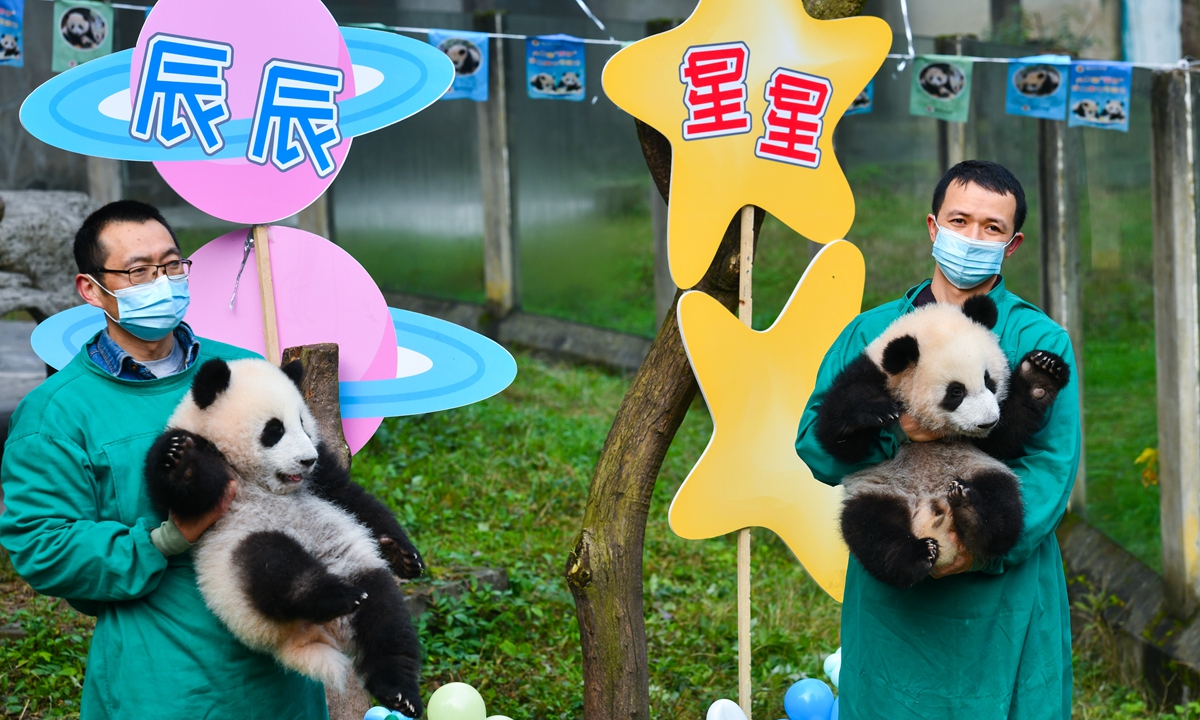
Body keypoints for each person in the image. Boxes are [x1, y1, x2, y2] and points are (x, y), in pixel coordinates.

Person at [0, 201, 330, 719]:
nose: (161, 281)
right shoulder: (58, 414)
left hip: (279, 673)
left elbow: (302, 473)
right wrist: (166, 538)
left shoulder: (240, 372)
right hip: (160, 679)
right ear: (91, 289)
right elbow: (43, 544)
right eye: (137, 271)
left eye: (171, 265)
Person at [795, 160, 1081, 719]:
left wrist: (972, 546)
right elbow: (816, 445)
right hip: (897, 589)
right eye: (961, 220)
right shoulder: (872, 333)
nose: (974, 237)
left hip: (1000, 593)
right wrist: (896, 431)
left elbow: (1052, 467)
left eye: (992, 228)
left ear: (1012, 242)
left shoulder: (1038, 339)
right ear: (933, 227)